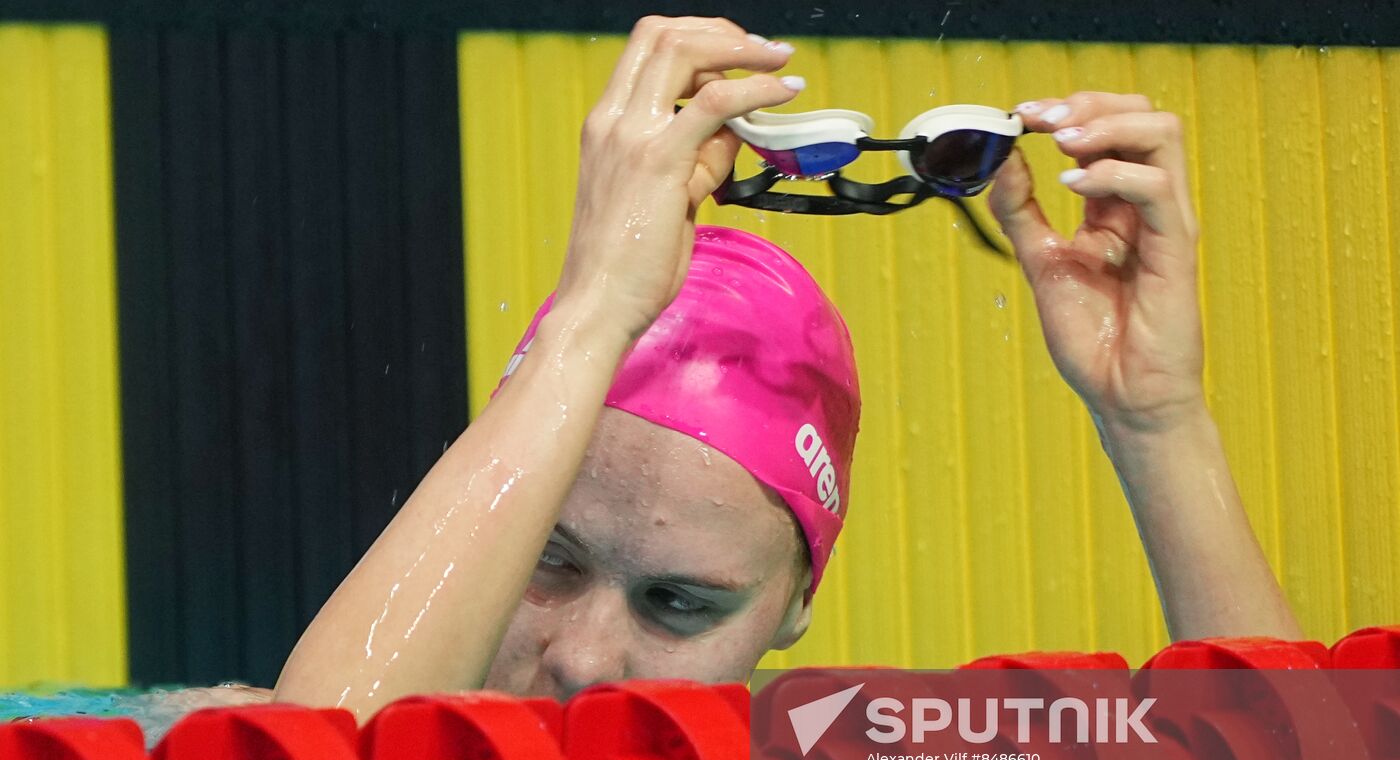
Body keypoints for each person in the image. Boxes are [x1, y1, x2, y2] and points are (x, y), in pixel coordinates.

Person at [273, 16, 1300, 719]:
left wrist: (1156, 423)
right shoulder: (256, 719)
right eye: (548, 559)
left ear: (793, 604)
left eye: (680, 604)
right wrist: (592, 313)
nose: (584, 661)